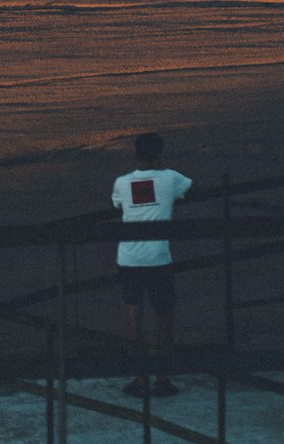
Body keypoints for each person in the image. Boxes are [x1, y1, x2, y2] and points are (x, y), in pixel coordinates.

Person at [112, 132, 192, 399]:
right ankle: (162, 378)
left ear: (136, 154)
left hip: (129, 257)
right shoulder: (171, 178)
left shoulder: (122, 183)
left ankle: (140, 377)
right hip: (158, 257)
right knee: (164, 318)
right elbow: (188, 190)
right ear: (160, 154)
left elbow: (117, 205)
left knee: (133, 318)